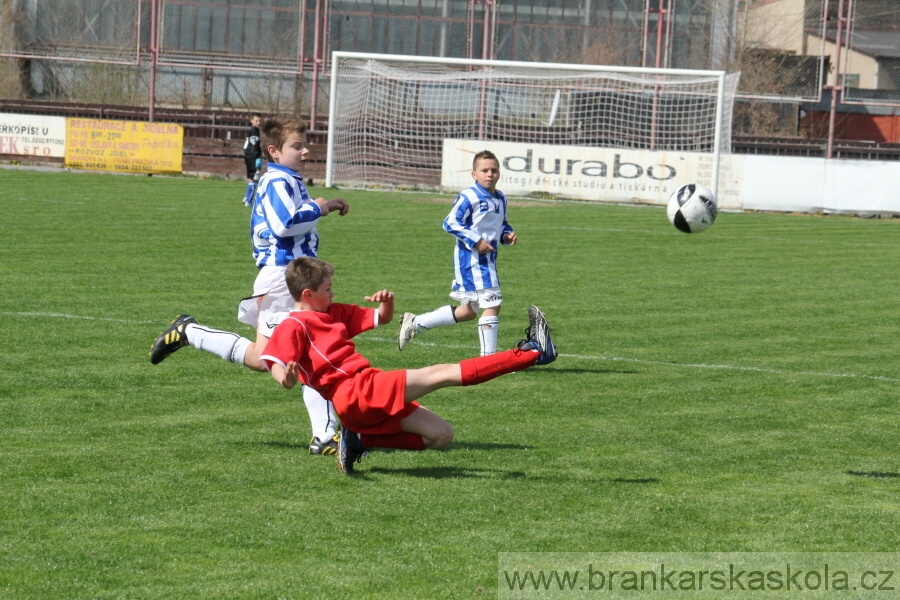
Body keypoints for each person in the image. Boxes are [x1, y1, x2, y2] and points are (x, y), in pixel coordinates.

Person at [150, 114, 349, 456]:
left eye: (305, 144)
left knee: (264, 358)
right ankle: (325, 435)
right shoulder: (275, 182)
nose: (305, 151)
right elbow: (285, 224)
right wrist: (319, 208)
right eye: (296, 146)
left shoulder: (288, 179)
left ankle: (189, 332)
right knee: (313, 353)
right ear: (274, 151)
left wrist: (324, 205)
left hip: (292, 275)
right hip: (284, 277)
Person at [261, 257, 557, 474]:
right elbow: (273, 362)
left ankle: (359, 440)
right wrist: (286, 378)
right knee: (442, 373)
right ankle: (532, 352)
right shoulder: (293, 325)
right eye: (328, 289)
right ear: (307, 295)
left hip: (364, 392)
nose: (333, 293)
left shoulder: (333, 311)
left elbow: (381, 318)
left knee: (441, 436)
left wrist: (386, 302)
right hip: (354, 391)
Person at [397, 150, 516, 357]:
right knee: (493, 303)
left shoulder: (501, 198)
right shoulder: (469, 196)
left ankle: (415, 322)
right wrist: (476, 241)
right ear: (474, 174)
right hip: (471, 260)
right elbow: (450, 222)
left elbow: (500, 224)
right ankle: (488, 361)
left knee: (467, 312)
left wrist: (507, 235)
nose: (490, 174)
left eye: (494, 170)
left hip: (488, 260)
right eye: (484, 170)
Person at [241, 113, 262, 206]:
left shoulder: (253, 130)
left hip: (248, 156)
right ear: (251, 121)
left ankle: (246, 197)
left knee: (251, 178)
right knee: (255, 179)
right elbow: (254, 146)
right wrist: (257, 157)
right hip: (253, 157)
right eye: (256, 121)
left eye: (260, 121)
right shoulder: (254, 131)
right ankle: (249, 201)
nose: (259, 122)